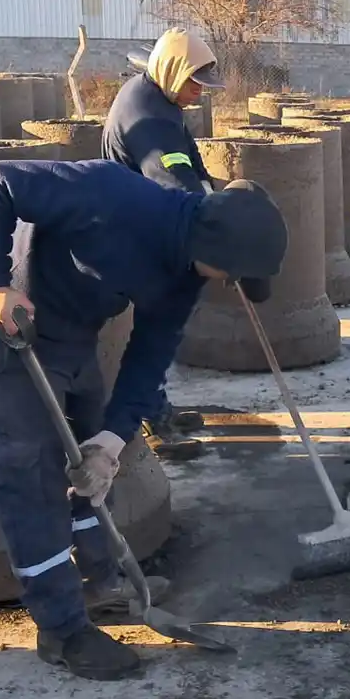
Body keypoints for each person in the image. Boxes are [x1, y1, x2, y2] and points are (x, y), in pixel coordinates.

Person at [0, 158, 286, 680]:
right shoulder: (114, 196)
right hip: (12, 332)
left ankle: (102, 584)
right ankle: (62, 629)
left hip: (75, 340)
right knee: (31, 476)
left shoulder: (185, 278)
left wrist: (112, 441)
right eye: (232, 275)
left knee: (92, 467)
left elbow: (150, 356)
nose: (227, 284)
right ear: (214, 250)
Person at [101, 27, 221, 460]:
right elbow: (172, 180)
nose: (199, 95)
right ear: (173, 73)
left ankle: (156, 406)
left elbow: (190, 160)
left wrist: (215, 192)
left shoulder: (163, 98)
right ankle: (147, 422)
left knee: (155, 325)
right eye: (195, 85)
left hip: (147, 220)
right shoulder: (147, 118)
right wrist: (216, 229)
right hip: (136, 232)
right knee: (153, 327)